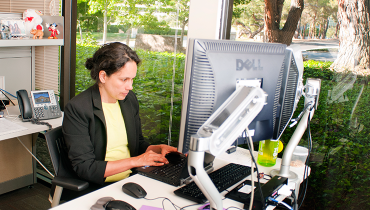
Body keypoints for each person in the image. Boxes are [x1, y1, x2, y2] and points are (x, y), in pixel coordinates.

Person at [60, 42, 178, 199]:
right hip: (97, 188)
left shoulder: (128, 100)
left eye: (132, 79)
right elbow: (85, 168)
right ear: (103, 76)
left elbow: (138, 143)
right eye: (124, 79)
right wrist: (136, 161)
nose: (130, 86)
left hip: (131, 181)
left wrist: (155, 148)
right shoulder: (78, 108)